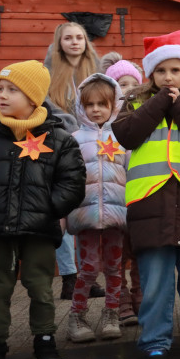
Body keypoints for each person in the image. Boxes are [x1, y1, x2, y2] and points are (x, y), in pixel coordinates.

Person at [112, 31, 180, 359]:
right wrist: (160, 102)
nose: (168, 77)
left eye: (175, 70)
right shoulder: (134, 101)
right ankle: (154, 339)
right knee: (155, 279)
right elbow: (127, 135)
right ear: (151, 74)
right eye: (161, 71)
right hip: (150, 202)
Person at [0, 61, 85, 359]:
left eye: (12, 90)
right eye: (0, 88)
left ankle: (44, 342)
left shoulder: (58, 138)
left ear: (33, 98)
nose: (2, 95)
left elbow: (73, 181)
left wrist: (48, 209)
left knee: (40, 287)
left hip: (39, 230)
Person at [65, 74, 130, 343]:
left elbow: (129, 172)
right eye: (89, 104)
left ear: (113, 104)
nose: (95, 109)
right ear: (82, 106)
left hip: (117, 214)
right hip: (85, 214)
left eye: (102, 103)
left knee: (115, 268)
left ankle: (111, 313)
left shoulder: (123, 137)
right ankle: (77, 315)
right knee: (89, 268)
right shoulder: (75, 139)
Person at [46, 22, 102, 301]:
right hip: (61, 148)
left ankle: (88, 276)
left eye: (80, 37)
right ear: (60, 42)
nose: (74, 42)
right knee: (63, 215)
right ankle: (70, 277)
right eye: (68, 37)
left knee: (87, 212)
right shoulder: (48, 73)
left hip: (93, 148)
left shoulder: (96, 70)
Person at [104, 58, 144, 325]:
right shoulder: (106, 124)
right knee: (116, 254)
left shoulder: (144, 118)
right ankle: (121, 300)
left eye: (133, 84)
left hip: (139, 196)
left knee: (140, 252)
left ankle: (141, 295)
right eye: (122, 84)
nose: (128, 89)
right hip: (115, 198)